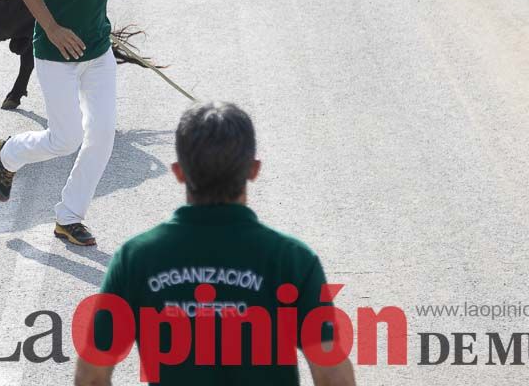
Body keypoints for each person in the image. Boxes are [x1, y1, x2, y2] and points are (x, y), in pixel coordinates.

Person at [73, 101, 356, 386]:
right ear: (254, 170)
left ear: (178, 172)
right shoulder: (293, 260)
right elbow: (332, 375)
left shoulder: (136, 259)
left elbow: (92, 376)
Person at [0, 0, 136, 248]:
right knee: (66, 139)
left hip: (98, 53)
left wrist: (98, 24)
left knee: (102, 136)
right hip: (57, 55)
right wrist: (52, 28)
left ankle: (69, 218)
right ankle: (7, 154)